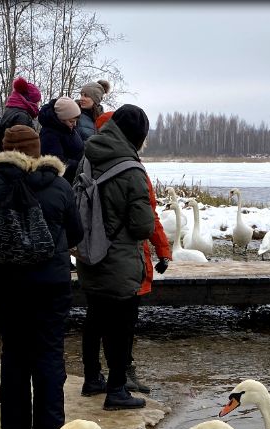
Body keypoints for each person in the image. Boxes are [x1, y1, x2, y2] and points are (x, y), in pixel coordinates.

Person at [0, 124, 83, 429]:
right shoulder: (59, 185)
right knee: (49, 351)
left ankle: (15, 426)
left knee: (14, 351)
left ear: (4, 149)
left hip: (7, 284)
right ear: (37, 149)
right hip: (52, 284)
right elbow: (76, 233)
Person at [74, 104, 154, 410]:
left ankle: (92, 378)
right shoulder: (131, 170)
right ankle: (117, 390)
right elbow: (142, 225)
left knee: (94, 318)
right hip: (119, 259)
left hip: (89, 253)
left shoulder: (89, 157)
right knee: (122, 326)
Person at [0, 77, 41, 166]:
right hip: (14, 163)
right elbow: (21, 147)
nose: (38, 105)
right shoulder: (22, 116)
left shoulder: (12, 111)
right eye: (37, 101)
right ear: (31, 101)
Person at [38, 96, 85, 180]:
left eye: (75, 121)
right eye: (71, 121)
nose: (74, 124)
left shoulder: (68, 128)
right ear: (61, 119)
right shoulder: (49, 134)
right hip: (64, 180)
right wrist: (81, 165)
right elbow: (57, 162)